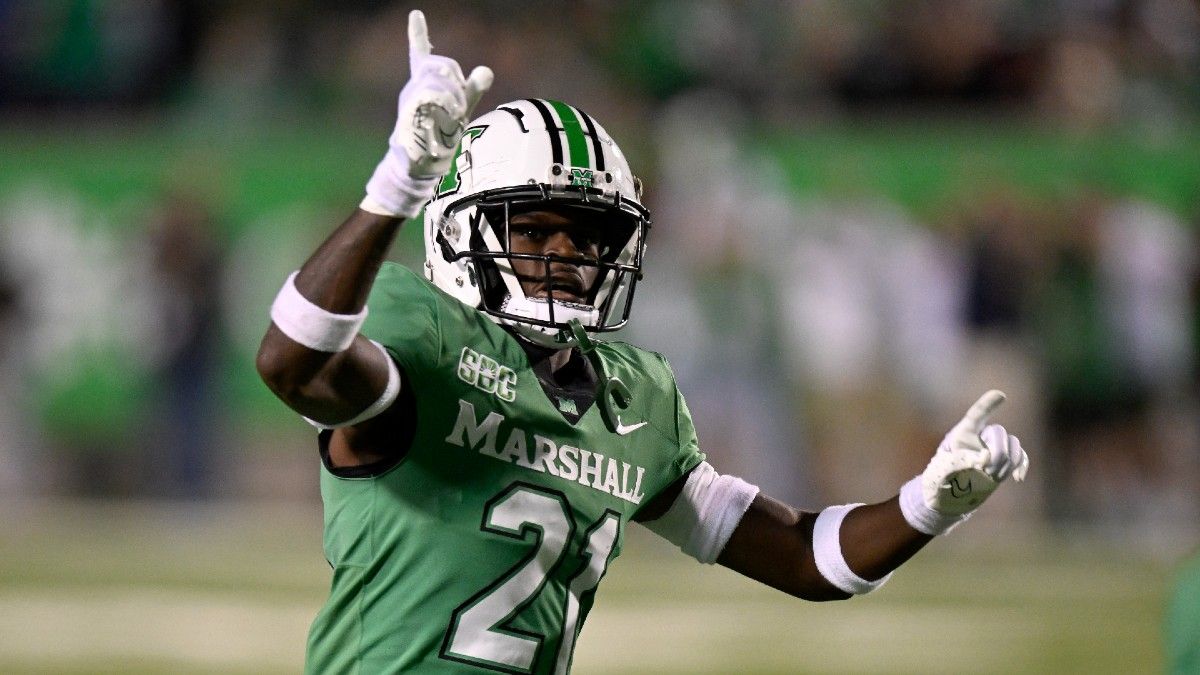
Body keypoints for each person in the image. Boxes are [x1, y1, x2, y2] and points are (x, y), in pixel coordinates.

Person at [256, 11, 1030, 674]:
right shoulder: (423, 331)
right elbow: (291, 363)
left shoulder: (634, 399)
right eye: (533, 229)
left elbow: (802, 555)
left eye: (588, 236)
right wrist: (399, 179)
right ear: (462, 229)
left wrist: (927, 503)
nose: (565, 254)